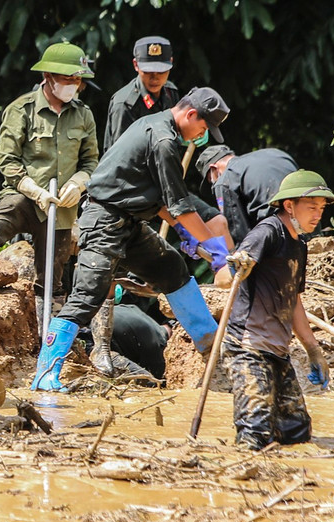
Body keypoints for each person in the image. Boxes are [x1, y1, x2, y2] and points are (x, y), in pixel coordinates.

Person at [32, 87, 235, 392]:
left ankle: (209, 341)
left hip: (129, 224)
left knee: (172, 270)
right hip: (103, 223)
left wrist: (183, 232)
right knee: (88, 295)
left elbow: (165, 201)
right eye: (203, 128)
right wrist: (212, 245)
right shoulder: (164, 140)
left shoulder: (156, 127)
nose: (200, 135)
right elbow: (180, 206)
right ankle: (45, 373)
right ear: (191, 114)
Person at [0, 42, 99, 309]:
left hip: (62, 207)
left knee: (53, 277)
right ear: (48, 77)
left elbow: (91, 162)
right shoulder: (22, 110)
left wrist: (79, 184)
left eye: (78, 79)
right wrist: (35, 190)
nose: (74, 84)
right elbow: (7, 160)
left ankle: (50, 337)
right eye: (68, 78)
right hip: (24, 196)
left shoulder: (83, 115)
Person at [224, 170, 334, 449]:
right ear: (289, 205)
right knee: (255, 434)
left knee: (296, 431)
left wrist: (313, 350)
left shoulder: (299, 245)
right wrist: (240, 264)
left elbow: (294, 300)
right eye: (311, 207)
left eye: (320, 208)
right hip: (248, 346)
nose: (317, 215)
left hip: (277, 349)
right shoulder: (268, 231)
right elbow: (227, 276)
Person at [197, 145, 299, 245]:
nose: (214, 184)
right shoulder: (275, 153)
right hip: (307, 217)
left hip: (278, 234)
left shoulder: (225, 179)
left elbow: (238, 230)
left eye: (211, 180)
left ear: (214, 168)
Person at [101, 36, 180, 154]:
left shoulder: (170, 92)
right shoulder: (125, 103)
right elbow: (122, 156)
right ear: (136, 65)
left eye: (161, 71)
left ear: (171, 63)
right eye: (148, 71)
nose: (155, 78)